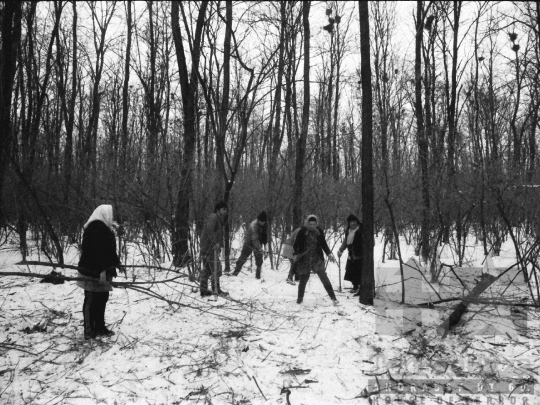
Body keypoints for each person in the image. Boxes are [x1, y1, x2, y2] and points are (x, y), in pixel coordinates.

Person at [77, 205, 121, 340]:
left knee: (102, 299)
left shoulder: (105, 229)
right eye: (109, 214)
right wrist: (102, 270)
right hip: (91, 271)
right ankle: (89, 330)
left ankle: (100, 327)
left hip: (103, 271)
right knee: (91, 299)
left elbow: (109, 251)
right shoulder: (93, 229)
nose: (111, 217)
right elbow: (94, 252)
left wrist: (116, 263)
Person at [292, 214, 339, 305]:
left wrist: (329, 254)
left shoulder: (320, 231)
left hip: (317, 258)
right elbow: (295, 244)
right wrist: (295, 254)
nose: (312, 226)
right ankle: (299, 300)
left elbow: (323, 244)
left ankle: (334, 298)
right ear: (307, 223)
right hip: (304, 259)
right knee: (303, 279)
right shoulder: (302, 231)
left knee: (323, 277)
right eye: (310, 224)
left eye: (314, 224)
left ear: (317, 223)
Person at [199, 201, 229, 297]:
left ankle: (203, 290)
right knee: (217, 268)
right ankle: (216, 289)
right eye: (223, 209)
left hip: (207, 247)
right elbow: (209, 229)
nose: (225, 211)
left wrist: (219, 245)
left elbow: (216, 233)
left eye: (226, 210)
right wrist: (215, 243)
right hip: (209, 248)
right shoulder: (214, 217)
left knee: (207, 269)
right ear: (218, 210)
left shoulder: (218, 219)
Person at [232, 211, 268, 279]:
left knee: (259, 259)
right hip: (249, 243)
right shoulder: (253, 225)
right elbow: (254, 239)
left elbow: (265, 235)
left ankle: (258, 276)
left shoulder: (265, 224)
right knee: (242, 258)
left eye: (264, 222)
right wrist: (260, 248)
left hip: (258, 241)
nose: (263, 223)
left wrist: (265, 244)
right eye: (261, 222)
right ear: (259, 220)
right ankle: (235, 273)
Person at [337, 214, 363, 296]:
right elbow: (345, 241)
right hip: (351, 254)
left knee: (359, 272)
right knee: (351, 271)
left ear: (357, 221)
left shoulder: (361, 230)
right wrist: (341, 250)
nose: (353, 224)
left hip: (359, 254)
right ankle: (355, 286)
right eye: (351, 222)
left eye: (354, 222)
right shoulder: (348, 230)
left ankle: (361, 288)